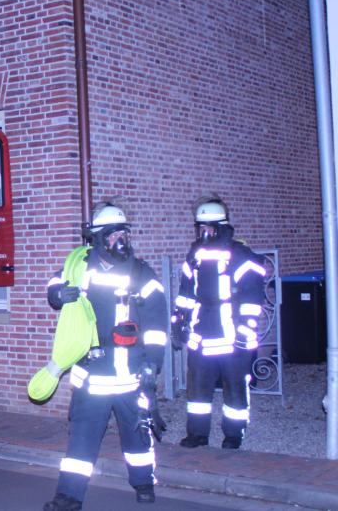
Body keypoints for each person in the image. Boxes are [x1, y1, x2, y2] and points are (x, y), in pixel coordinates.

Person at [43, 201, 168, 511]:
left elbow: (156, 323)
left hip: (130, 374)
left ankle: (143, 483)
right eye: (113, 235)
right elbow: (54, 284)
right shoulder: (79, 267)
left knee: (137, 434)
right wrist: (58, 294)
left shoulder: (142, 272)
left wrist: (153, 363)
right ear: (98, 239)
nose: (120, 240)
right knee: (81, 442)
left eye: (124, 233)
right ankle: (68, 499)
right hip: (92, 377)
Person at [172, 196, 267, 450]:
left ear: (220, 227)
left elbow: (251, 299)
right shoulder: (194, 256)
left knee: (235, 390)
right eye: (199, 228)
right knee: (198, 391)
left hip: (233, 339)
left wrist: (246, 332)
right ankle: (197, 434)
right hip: (201, 338)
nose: (203, 233)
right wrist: (179, 321)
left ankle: (234, 436)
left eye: (207, 228)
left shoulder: (241, 255)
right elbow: (185, 294)